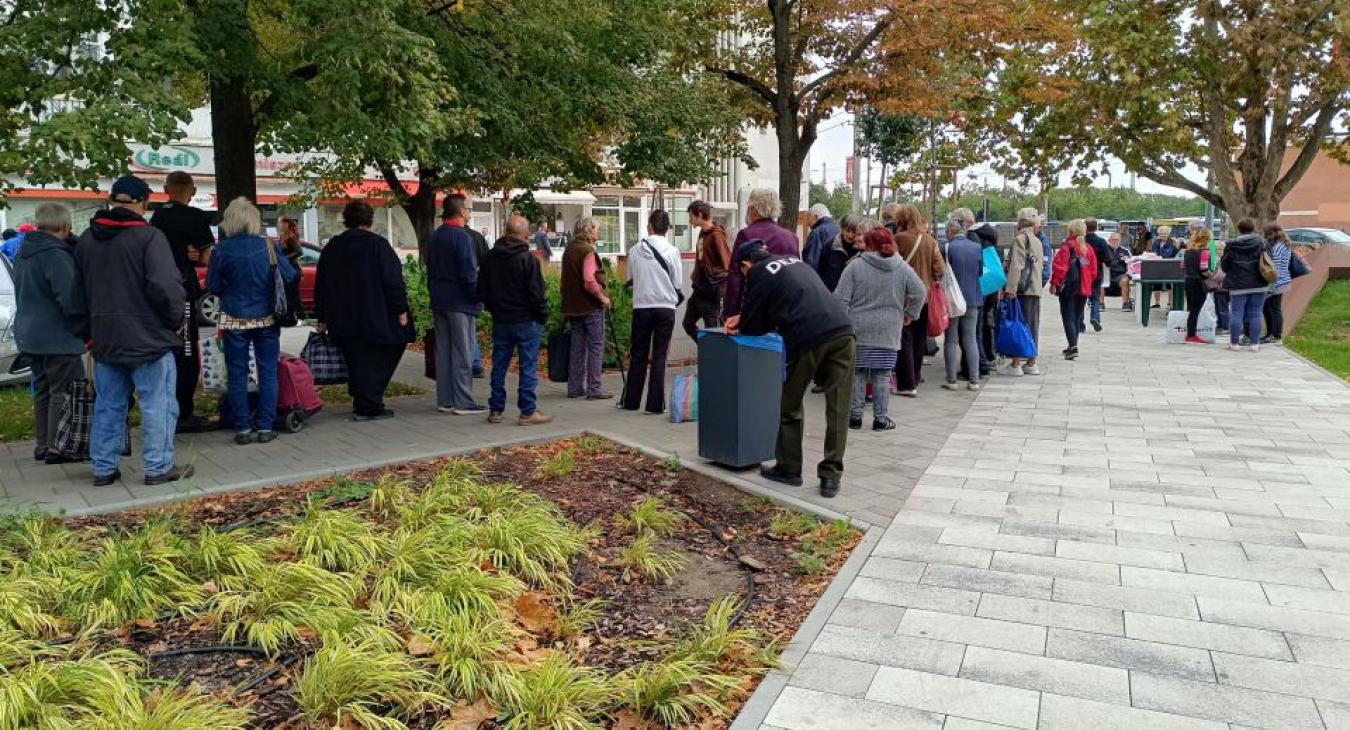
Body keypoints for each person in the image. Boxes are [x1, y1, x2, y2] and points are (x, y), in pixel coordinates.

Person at [74, 175, 191, 487]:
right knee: (158, 405)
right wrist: (174, 321)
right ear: (144, 203)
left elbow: (77, 294)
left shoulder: (86, 239)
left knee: (109, 406)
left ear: (112, 200)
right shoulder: (150, 237)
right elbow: (165, 287)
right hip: (149, 339)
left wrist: (87, 333)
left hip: (104, 339)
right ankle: (158, 467)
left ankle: (103, 467)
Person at [733, 242, 855, 498]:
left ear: (746, 264)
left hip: (807, 339)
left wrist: (740, 322)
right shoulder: (794, 261)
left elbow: (752, 328)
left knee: (789, 406)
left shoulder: (757, 273)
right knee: (838, 408)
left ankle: (789, 469)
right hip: (843, 332)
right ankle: (831, 477)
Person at [205, 198, 297, 444]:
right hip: (267, 318)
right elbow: (290, 274)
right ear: (254, 220)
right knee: (268, 371)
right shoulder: (268, 246)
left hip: (234, 319)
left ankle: (243, 428)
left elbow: (212, 286)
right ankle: (266, 427)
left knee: (237, 373)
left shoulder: (220, 250)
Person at [314, 200, 410, 421]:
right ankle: (369, 403)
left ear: (346, 219)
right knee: (383, 353)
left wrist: (322, 316)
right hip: (374, 315)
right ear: (370, 219)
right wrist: (401, 309)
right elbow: (392, 281)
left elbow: (322, 283)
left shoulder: (333, 247)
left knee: (354, 357)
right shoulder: (378, 245)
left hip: (342, 316)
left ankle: (362, 400)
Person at [13, 203, 86, 464]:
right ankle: (59, 446)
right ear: (65, 226)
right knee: (63, 391)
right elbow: (69, 298)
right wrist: (83, 327)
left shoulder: (25, 251)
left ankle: (43, 444)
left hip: (30, 333)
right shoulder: (55, 254)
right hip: (57, 335)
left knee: (43, 389)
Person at [834, 227, 925, 431]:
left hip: (858, 329)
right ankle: (880, 419)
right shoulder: (901, 267)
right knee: (882, 374)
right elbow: (919, 291)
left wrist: (843, 323)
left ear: (869, 244)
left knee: (857, 372)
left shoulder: (855, 267)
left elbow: (840, 298)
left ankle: (855, 417)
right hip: (889, 329)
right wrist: (910, 313)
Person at [150, 171, 217, 433]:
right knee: (188, 352)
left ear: (166, 189)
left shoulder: (155, 217)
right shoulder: (195, 217)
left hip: (156, 294)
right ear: (193, 190)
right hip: (182, 291)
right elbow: (206, 259)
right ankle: (184, 412)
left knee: (165, 351)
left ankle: (165, 407)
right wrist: (193, 255)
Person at [477, 214, 552, 425]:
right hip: (527, 319)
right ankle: (527, 411)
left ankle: (496, 409)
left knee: (499, 365)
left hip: (501, 319)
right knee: (528, 365)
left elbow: (482, 290)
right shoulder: (527, 259)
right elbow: (537, 293)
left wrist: (494, 308)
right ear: (525, 234)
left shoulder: (489, 258)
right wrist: (542, 314)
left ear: (505, 231)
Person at [428, 196, 488, 415]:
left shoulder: (436, 236)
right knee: (463, 352)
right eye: (468, 209)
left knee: (443, 352)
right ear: (461, 212)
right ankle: (463, 401)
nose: (469, 212)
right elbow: (468, 274)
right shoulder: (462, 237)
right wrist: (477, 297)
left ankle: (445, 399)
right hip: (461, 302)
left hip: (440, 300)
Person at [622, 210, 681, 414]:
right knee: (659, 355)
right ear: (667, 229)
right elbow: (678, 283)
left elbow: (631, 277)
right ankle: (655, 404)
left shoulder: (634, 250)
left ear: (649, 227)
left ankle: (631, 401)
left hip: (642, 306)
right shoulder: (673, 251)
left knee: (638, 353)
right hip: (665, 307)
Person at [888, 203, 944, 398]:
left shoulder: (899, 239)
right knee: (919, 339)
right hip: (926, 297)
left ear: (901, 220)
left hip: (903, 297)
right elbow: (940, 270)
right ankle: (917, 376)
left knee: (905, 339)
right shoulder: (930, 241)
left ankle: (906, 383)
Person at [723, 188, 799, 328]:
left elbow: (736, 277)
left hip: (756, 308)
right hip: (785, 308)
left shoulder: (746, 235)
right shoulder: (791, 237)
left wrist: (730, 312)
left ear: (755, 209)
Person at [560, 217, 611, 400]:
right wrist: (601, 297)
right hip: (590, 306)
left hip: (573, 306)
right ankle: (594, 388)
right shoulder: (587, 251)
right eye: (596, 230)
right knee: (595, 346)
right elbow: (589, 281)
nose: (597, 234)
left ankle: (574, 387)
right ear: (589, 233)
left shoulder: (569, 249)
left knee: (577, 346)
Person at [1000, 207, 1046, 376]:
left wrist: (1010, 289)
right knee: (1032, 325)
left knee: (1019, 324)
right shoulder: (1037, 240)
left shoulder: (1020, 238)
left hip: (1022, 289)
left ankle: (1016, 363)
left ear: (1020, 222)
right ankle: (1031, 362)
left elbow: (1017, 266)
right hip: (1034, 288)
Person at [941, 214, 984, 390]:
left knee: (951, 340)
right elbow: (980, 272)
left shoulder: (947, 248)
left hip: (952, 300)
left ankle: (952, 380)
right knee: (971, 339)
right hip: (972, 297)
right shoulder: (976, 247)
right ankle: (974, 380)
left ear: (951, 231)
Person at [449, 193, 487, 378]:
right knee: (468, 331)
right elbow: (484, 265)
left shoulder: (444, 236)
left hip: (455, 294)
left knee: (463, 334)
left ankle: (474, 363)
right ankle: (475, 363)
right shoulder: (475, 238)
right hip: (470, 289)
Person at [1050, 220, 1097, 361]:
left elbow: (1060, 267)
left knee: (1068, 317)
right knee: (1076, 317)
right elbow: (1093, 271)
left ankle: (1072, 346)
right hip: (1084, 288)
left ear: (1070, 232)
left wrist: (1054, 283)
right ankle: (1073, 344)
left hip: (1069, 287)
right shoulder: (1088, 248)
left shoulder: (1067, 247)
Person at [684, 200, 730, 339]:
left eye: (691, 216)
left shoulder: (717, 235)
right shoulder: (702, 234)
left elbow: (727, 265)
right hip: (699, 290)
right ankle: (706, 349)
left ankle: (713, 356)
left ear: (699, 214)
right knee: (688, 323)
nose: (690, 220)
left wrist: (711, 275)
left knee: (713, 330)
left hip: (711, 293)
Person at [1221, 219, 1267, 352]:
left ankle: (1234, 343)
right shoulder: (1261, 243)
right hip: (1259, 283)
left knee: (1236, 313)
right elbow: (1268, 260)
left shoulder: (1231, 245)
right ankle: (1255, 344)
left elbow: (1225, 266)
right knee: (1256, 313)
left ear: (1238, 229)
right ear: (1253, 228)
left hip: (1237, 284)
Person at [815, 213, 866, 292]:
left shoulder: (862, 249)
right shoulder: (830, 245)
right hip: (830, 293)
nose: (850, 235)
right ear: (841, 228)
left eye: (854, 231)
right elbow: (820, 270)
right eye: (847, 230)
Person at [1179, 228, 1213, 345]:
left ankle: (1189, 332)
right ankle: (1191, 335)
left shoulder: (1187, 252)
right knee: (1195, 310)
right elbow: (1204, 269)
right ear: (1206, 239)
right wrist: (1211, 275)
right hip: (1198, 283)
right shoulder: (1204, 252)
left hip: (1188, 281)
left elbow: (1182, 266)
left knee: (1190, 308)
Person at [1262, 223, 1292, 345]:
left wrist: (1271, 284)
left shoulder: (1278, 247)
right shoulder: (1283, 244)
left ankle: (1276, 335)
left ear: (1271, 233)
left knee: (1274, 308)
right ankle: (1270, 333)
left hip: (1277, 281)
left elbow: (1275, 266)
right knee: (1269, 307)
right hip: (1281, 279)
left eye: (1266, 233)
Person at [1083, 219, 1111, 333]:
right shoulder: (1101, 242)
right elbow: (1107, 258)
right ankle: (1095, 317)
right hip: (1097, 272)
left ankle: (1080, 323)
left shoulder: (1081, 241)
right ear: (1096, 227)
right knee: (1095, 297)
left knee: (1082, 297)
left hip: (1082, 272)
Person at [277, 217, 305, 321]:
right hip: (286, 268)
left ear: (286, 224)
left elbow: (299, 251)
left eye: (280, 223)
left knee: (293, 293)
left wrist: (285, 258)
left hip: (292, 269)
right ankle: (293, 316)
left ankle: (298, 317)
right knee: (289, 293)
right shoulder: (282, 236)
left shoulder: (291, 236)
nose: (279, 225)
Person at [801, 203, 839, 270]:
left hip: (819, 277)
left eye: (809, 217)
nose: (808, 222)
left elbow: (811, 262)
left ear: (816, 216)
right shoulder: (838, 229)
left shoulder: (817, 232)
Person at [1151, 226, 1179, 309]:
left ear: (1168, 234)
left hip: (1169, 266)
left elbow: (1177, 254)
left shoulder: (1173, 242)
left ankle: (1169, 303)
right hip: (1157, 266)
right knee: (1156, 285)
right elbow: (1153, 253)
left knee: (1169, 285)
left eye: (1165, 233)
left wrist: (1177, 246)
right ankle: (1157, 303)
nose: (1163, 235)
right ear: (1158, 234)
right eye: (1161, 233)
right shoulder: (1156, 242)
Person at [1106, 232, 1133, 311]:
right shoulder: (1104, 250)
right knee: (1101, 279)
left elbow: (1132, 264)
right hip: (1106, 274)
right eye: (1113, 239)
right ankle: (1100, 304)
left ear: (1120, 241)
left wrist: (1127, 260)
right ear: (1109, 240)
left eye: (1117, 240)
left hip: (1120, 275)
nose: (1115, 241)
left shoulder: (1125, 251)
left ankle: (1126, 304)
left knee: (1125, 280)